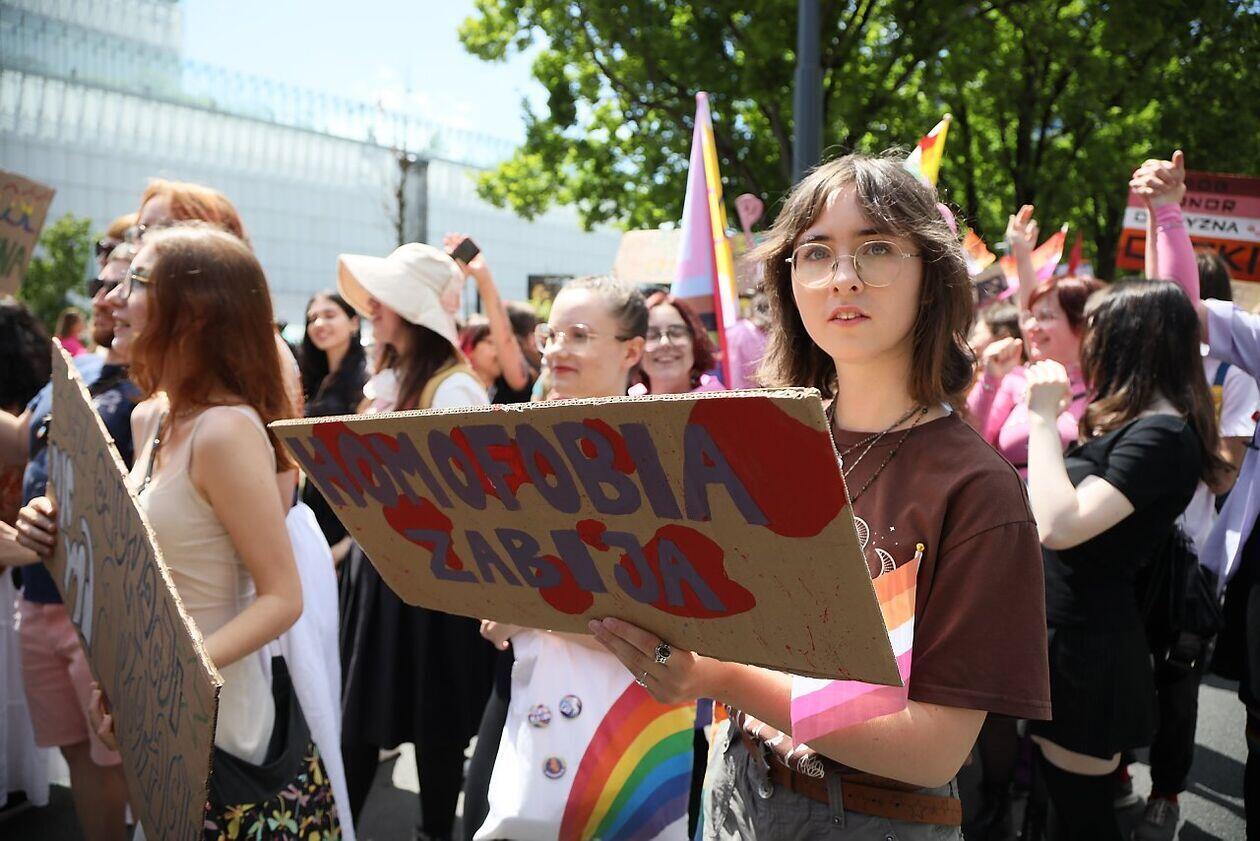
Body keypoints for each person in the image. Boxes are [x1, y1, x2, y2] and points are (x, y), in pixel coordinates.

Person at [590, 154, 1051, 840]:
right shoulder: (760, 443)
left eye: (876, 247)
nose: (843, 276)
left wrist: (725, 679)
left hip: (870, 818)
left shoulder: (978, 489)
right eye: (815, 253)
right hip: (731, 785)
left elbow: (934, 749)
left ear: (931, 277)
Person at [18, 225, 341, 836]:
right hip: (157, 706)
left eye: (137, 282)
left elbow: (282, 597)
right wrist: (56, 525)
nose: (112, 297)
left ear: (194, 313)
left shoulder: (226, 430)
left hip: (221, 720)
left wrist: (164, 674)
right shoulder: (153, 417)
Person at [462, 275, 652, 841]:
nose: (556, 349)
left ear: (631, 351)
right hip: (521, 684)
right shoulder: (522, 436)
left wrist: (527, 614)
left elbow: (656, 623)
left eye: (580, 335)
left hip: (625, 714)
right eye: (551, 334)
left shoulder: (661, 453)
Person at [335, 242, 494, 840]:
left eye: (384, 297)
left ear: (412, 310)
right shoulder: (392, 378)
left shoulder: (454, 390)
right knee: (359, 718)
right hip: (380, 573)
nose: (371, 307)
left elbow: (471, 497)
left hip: (432, 581)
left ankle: (432, 832)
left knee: (436, 728)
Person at [3, 247, 139, 841]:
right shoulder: (74, 368)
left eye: (122, 286)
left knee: (119, 761)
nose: (104, 298)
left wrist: (41, 543)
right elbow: (20, 440)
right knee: (77, 755)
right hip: (36, 600)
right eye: (98, 284)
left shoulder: (154, 392)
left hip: (96, 608)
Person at [965, 206, 1101, 475]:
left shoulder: (1107, 386)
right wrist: (990, 379)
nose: (1030, 326)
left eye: (1046, 317)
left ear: (1083, 324)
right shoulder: (1016, 381)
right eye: (1030, 317)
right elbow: (967, 441)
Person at [298, 290, 368, 564]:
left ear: (354, 322)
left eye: (329, 315)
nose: (319, 324)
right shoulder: (311, 380)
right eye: (312, 318)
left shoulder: (369, 381)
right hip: (315, 500)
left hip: (352, 506)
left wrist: (350, 542)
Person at [443, 233, 538, 402]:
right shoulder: (450, 388)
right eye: (490, 342)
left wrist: (484, 279)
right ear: (469, 346)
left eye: (499, 342)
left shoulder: (509, 389)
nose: (499, 350)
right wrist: (453, 278)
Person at [631, 291, 725, 395]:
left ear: (695, 342)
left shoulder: (720, 401)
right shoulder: (625, 402)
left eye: (676, 332)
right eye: (652, 335)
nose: (664, 343)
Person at [460, 317, 502, 392]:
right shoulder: (457, 388)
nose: (499, 350)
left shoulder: (512, 391)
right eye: (491, 342)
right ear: (469, 348)